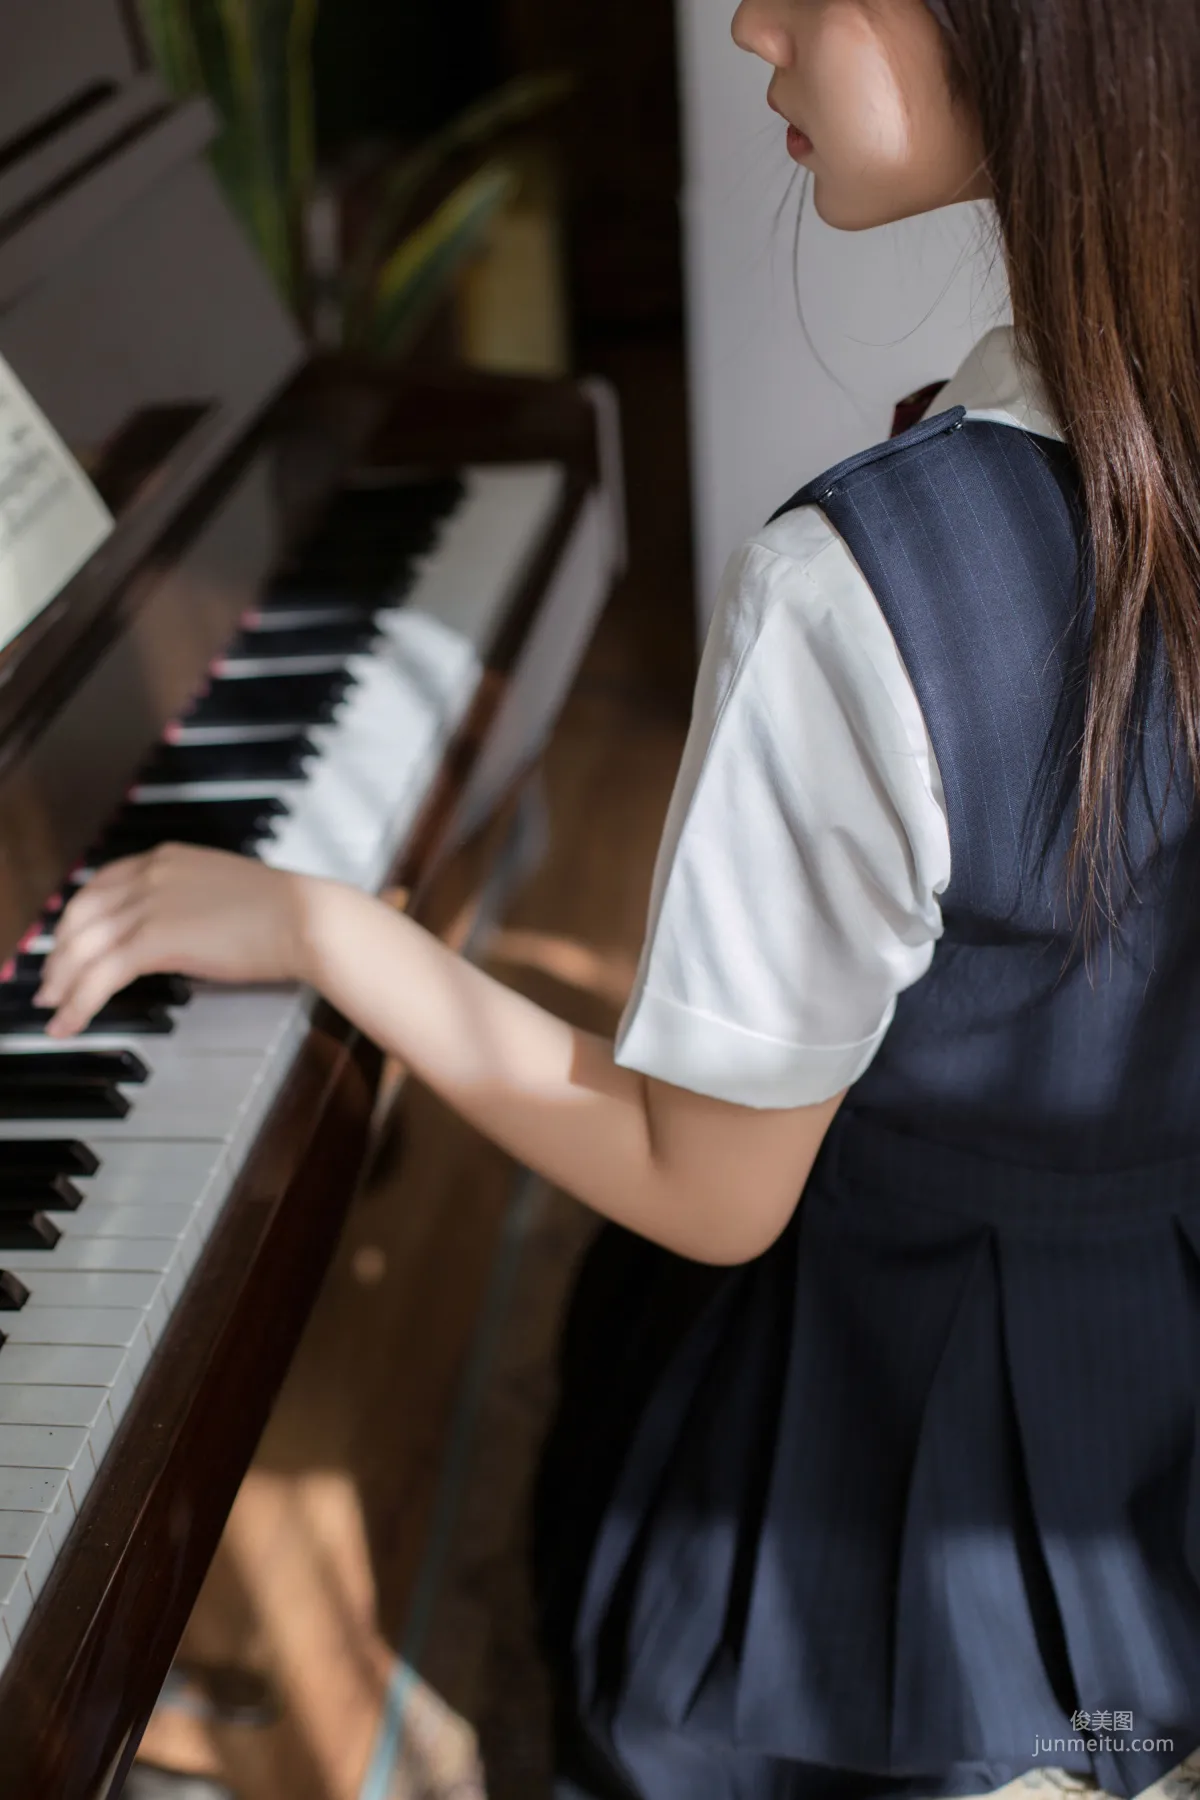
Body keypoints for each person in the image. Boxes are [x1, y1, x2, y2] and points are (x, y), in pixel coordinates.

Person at [35, 0, 1200, 1796]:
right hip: (1157, 1413)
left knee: (632, 1514)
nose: (752, 23)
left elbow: (706, 1188)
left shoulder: (860, 594)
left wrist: (329, 930)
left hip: (920, 1505)